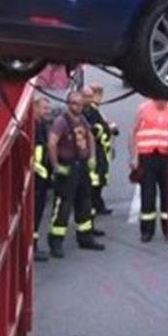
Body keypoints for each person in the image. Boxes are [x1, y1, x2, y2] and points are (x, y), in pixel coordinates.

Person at [47, 91, 105, 257]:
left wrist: (92, 157)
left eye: (80, 104)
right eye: (74, 103)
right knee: (63, 205)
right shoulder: (61, 122)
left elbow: (90, 137)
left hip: (82, 166)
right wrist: (56, 165)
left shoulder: (82, 120)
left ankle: (85, 237)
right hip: (68, 167)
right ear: (68, 104)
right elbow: (52, 143)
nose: (77, 107)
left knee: (85, 202)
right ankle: (56, 241)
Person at [130, 97, 168, 242]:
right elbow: (134, 132)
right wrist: (134, 157)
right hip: (146, 156)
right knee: (148, 194)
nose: (164, 102)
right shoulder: (143, 108)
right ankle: (147, 231)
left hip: (166, 157)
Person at [81, 85, 114, 215]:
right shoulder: (84, 111)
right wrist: (101, 130)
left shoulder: (93, 110)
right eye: (86, 96)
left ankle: (98, 205)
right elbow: (92, 130)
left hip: (100, 151)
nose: (90, 99)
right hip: (92, 151)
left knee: (99, 180)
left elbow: (102, 125)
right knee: (93, 182)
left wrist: (109, 128)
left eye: (91, 96)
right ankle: (95, 207)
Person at [31, 97, 53, 261]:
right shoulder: (35, 127)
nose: (48, 111)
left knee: (37, 214)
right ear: (36, 108)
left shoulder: (41, 125)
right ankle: (32, 247)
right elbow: (35, 155)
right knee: (34, 213)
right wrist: (42, 173)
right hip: (37, 178)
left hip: (41, 177)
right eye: (45, 108)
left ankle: (34, 245)